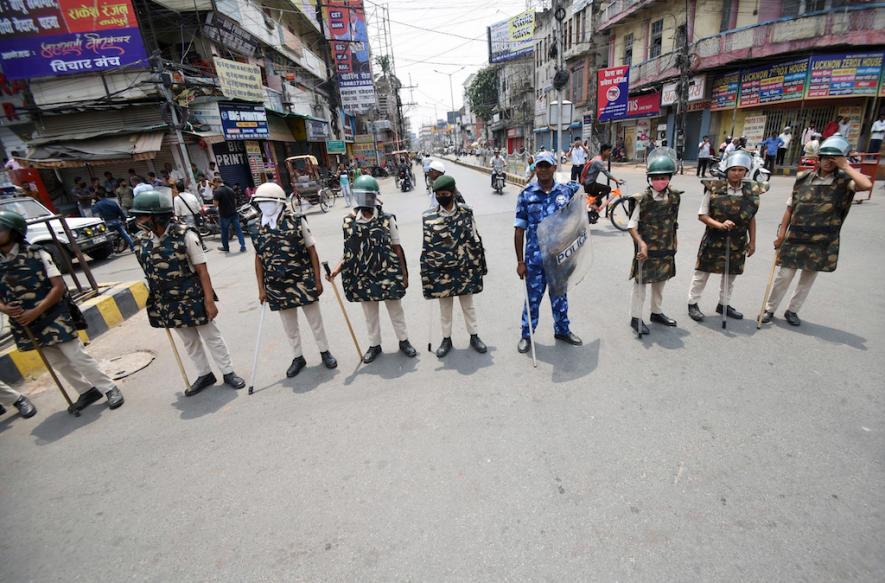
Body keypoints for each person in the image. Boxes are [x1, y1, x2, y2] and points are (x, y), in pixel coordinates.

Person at [0, 210, 125, 412]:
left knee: (76, 355)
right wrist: (5, 308)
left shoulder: (37, 253)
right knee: (56, 361)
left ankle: (109, 388)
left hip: (52, 315)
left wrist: (36, 311)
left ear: (13, 232)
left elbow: (58, 287)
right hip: (25, 322)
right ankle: (86, 390)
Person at [130, 190, 246, 395]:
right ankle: (204, 374)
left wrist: (209, 301)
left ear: (157, 216)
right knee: (189, 341)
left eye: (142, 216)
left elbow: (202, 270)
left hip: (193, 297)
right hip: (167, 302)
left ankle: (228, 372)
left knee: (211, 337)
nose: (139, 220)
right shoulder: (141, 241)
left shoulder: (186, 235)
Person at [760, 135, 872, 326]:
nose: (828, 161)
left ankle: (793, 310)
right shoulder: (803, 179)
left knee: (807, 278)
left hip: (822, 240)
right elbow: (790, 208)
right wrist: (780, 235)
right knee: (784, 276)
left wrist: (846, 167)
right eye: (825, 157)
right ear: (818, 159)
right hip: (796, 237)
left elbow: (867, 185)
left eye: (833, 158)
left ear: (839, 160)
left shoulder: (845, 182)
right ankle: (769, 309)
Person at [325, 175, 417, 363]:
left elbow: (397, 248)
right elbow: (349, 252)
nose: (364, 201)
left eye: (368, 196)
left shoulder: (386, 219)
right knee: (370, 314)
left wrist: (404, 274)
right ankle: (374, 345)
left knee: (395, 310)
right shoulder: (349, 222)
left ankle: (403, 341)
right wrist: (335, 270)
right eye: (361, 196)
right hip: (363, 276)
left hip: (388, 274)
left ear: (374, 197)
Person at [250, 182, 337, 377]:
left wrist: (317, 280)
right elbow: (258, 259)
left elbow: (311, 251)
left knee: (315, 321)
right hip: (276, 285)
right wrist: (261, 289)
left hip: (302, 280)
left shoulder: (297, 221)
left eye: (267, 202)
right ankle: (298, 357)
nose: (264, 205)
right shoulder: (255, 227)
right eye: (261, 202)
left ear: (279, 202)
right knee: (289, 326)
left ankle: (325, 352)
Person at [514, 151, 583, 352]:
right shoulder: (526, 195)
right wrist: (520, 262)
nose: (543, 169)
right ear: (535, 168)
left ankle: (562, 330)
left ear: (554, 167)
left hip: (559, 259)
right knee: (532, 299)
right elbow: (519, 230)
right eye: (539, 166)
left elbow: (579, 206)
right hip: (535, 260)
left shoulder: (565, 192)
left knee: (560, 297)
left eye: (547, 165)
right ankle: (526, 335)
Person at [687, 151, 764, 322]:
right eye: (733, 169)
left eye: (741, 170)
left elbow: (751, 218)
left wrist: (753, 242)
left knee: (730, 275)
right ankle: (693, 303)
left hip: (738, 240)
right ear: (727, 170)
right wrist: (719, 225)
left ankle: (724, 304)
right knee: (702, 272)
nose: (737, 173)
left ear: (746, 171)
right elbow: (702, 215)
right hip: (714, 238)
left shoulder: (751, 191)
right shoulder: (713, 188)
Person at [421, 175, 488, 358]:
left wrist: (480, 265)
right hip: (442, 271)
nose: (442, 197)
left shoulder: (466, 212)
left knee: (468, 306)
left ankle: (474, 336)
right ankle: (446, 339)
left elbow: (475, 238)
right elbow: (427, 247)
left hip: (464, 269)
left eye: (445, 193)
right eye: (438, 194)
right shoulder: (428, 217)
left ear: (452, 192)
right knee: (445, 308)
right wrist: (428, 274)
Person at [627, 149, 682, 334]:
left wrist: (675, 241)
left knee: (661, 282)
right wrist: (641, 244)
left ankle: (656, 313)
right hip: (646, 250)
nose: (660, 181)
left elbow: (674, 221)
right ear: (649, 179)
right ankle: (636, 318)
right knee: (641, 284)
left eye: (664, 177)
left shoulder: (674, 197)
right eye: (656, 177)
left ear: (669, 178)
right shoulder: (642, 199)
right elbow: (631, 226)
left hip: (665, 248)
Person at [579, 144, 625, 221]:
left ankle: (591, 216)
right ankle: (594, 203)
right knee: (608, 188)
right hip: (589, 184)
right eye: (608, 151)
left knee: (599, 202)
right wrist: (617, 181)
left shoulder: (596, 158)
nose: (610, 152)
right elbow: (606, 173)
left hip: (587, 184)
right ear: (603, 151)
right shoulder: (598, 161)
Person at [213, 178, 246, 253]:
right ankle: (243, 246)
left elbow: (215, 205)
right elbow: (235, 201)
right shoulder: (230, 189)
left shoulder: (217, 192)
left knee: (224, 232)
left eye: (214, 183)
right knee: (238, 230)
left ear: (216, 182)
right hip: (234, 213)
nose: (214, 185)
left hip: (224, 215)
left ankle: (226, 247)